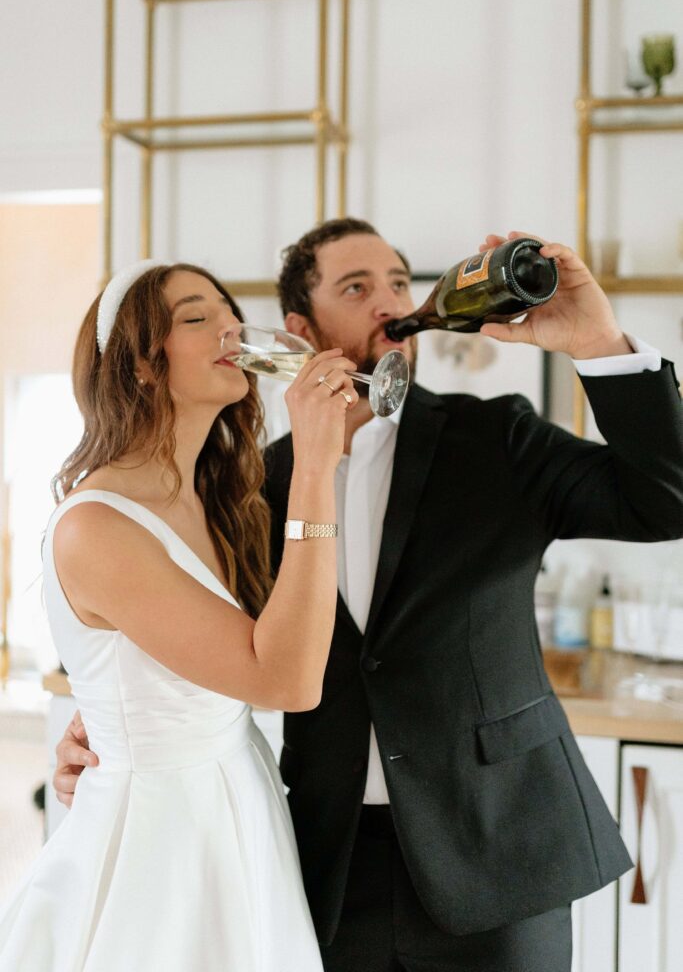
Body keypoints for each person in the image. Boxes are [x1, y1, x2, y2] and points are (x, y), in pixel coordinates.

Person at [54, 222, 683, 972]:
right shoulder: (250, 484)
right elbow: (198, 633)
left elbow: (665, 502)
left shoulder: (496, 439)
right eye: (355, 288)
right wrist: (102, 728)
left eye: (397, 283)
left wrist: (597, 342)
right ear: (298, 329)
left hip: (497, 857)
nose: (388, 302)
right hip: (321, 860)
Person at [0, 259, 360, 972]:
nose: (230, 325)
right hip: (159, 845)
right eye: (197, 317)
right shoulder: (97, 527)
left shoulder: (213, 495)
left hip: (237, 813)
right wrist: (318, 465)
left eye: (230, 310)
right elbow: (286, 683)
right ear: (138, 365)